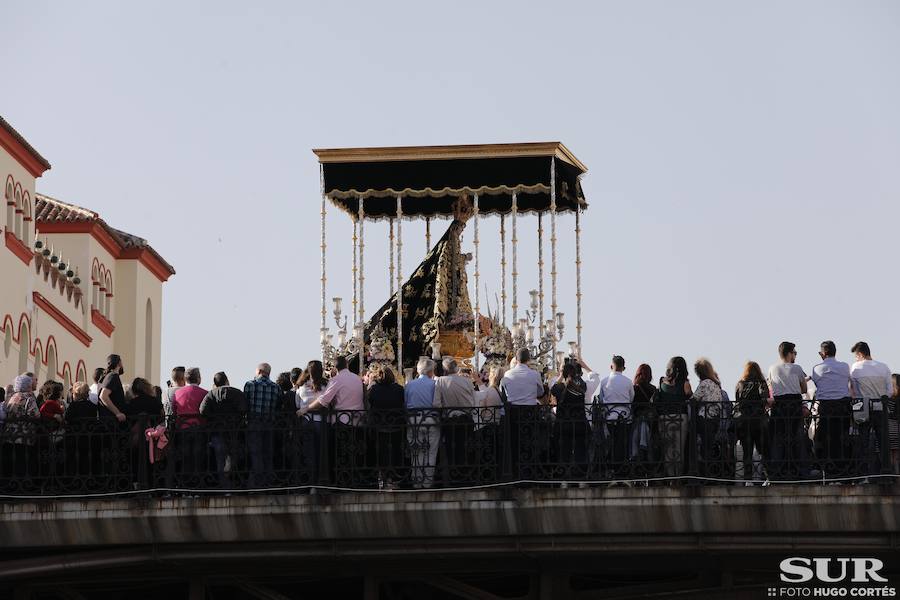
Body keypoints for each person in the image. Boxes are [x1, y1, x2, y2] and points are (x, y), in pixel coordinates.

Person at [849, 342, 893, 477]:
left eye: (856, 356)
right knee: (883, 441)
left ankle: (864, 473)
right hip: (881, 409)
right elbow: (890, 392)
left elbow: (854, 392)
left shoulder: (856, 368)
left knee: (863, 441)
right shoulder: (884, 367)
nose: (855, 359)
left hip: (864, 409)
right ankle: (886, 471)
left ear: (860, 354)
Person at [501, 348, 546, 478]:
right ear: (529, 359)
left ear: (516, 358)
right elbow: (540, 393)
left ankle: (514, 473)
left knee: (515, 443)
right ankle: (529, 473)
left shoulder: (508, 374)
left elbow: (503, 392)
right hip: (530, 413)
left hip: (513, 413)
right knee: (530, 443)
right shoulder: (534, 374)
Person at [767, 342, 809, 479]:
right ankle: (800, 470)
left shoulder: (772, 368)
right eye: (794, 352)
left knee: (778, 438)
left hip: (779, 406)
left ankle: (778, 471)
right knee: (797, 437)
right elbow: (804, 389)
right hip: (794, 405)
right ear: (789, 353)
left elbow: (770, 386)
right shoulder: (797, 368)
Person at [810, 341, 852, 477]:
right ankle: (842, 470)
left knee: (824, 439)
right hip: (843, 408)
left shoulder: (817, 368)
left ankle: (825, 470)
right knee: (841, 439)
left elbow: (817, 383)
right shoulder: (845, 367)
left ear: (822, 354)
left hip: (826, 408)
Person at [434, 357, 476, 485]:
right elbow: (474, 401)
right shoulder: (467, 381)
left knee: (451, 448)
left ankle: (453, 476)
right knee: (465, 447)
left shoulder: (440, 381)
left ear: (445, 370)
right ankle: (465, 476)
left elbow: (436, 404)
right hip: (466, 419)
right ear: (456, 368)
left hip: (450, 419)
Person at [199, 372, 247, 487]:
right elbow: (244, 409)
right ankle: (235, 483)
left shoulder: (210, 394)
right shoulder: (237, 393)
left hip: (217, 432)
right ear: (227, 381)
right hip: (234, 431)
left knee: (220, 459)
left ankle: (223, 485)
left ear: (215, 383)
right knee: (235, 458)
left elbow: (202, 411)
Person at [245, 363, 285, 487]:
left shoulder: (249, 385)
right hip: (269, 424)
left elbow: (245, 403)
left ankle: (258, 482)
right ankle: (268, 481)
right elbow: (279, 405)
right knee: (268, 453)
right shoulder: (276, 387)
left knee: (255, 453)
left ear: (259, 371)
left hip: (254, 423)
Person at [594, 355, 634, 477]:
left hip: (609, 418)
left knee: (610, 444)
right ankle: (621, 469)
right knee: (621, 445)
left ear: (611, 366)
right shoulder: (628, 382)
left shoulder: (605, 381)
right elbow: (631, 398)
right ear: (624, 368)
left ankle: (610, 469)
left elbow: (600, 399)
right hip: (625, 418)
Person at [366, 364, 405, 488]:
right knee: (395, 451)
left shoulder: (374, 389)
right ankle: (393, 478)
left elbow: (370, 403)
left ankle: (382, 476)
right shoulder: (399, 389)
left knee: (382, 452)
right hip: (395, 425)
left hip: (380, 426)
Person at [551, 360, 589, 479]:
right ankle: (580, 475)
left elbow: (552, 389)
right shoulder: (581, 388)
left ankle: (563, 475)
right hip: (579, 424)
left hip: (564, 425)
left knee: (564, 451)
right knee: (580, 450)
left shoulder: (560, 388)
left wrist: (561, 375)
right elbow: (583, 384)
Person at [405, 357, 439, 489]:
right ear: (431, 371)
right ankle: (428, 482)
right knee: (431, 451)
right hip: (430, 419)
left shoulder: (409, 385)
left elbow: (405, 404)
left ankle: (417, 482)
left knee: (416, 452)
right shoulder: (434, 384)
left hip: (414, 420)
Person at [655, 357, 692, 478]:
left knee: (667, 449)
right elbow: (691, 399)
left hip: (664, 418)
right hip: (680, 418)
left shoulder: (662, 382)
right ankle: (678, 477)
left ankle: (670, 476)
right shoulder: (685, 383)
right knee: (679, 448)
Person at [172, 368, 208, 485]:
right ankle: (198, 484)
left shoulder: (177, 393)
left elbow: (174, 411)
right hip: (199, 429)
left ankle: (186, 485)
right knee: (198, 457)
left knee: (185, 457)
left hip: (183, 429)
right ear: (198, 378)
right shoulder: (204, 393)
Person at [734, 361, 769, 482]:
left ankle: (748, 479)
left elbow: (737, 401)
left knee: (747, 452)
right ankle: (766, 477)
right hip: (758, 421)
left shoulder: (740, 384)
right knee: (763, 450)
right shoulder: (761, 383)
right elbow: (765, 399)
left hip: (744, 421)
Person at [1, 375, 40, 483]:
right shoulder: (28, 397)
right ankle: (23, 486)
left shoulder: (11, 397)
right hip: (24, 436)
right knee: (22, 462)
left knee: (11, 462)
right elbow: (35, 415)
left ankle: (11, 485)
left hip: (9, 435)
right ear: (28, 385)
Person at [295, 361, 327, 485]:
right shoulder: (326, 385)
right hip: (321, 422)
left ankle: (309, 481)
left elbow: (297, 404)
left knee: (308, 452)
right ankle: (321, 480)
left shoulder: (301, 387)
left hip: (306, 421)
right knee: (321, 452)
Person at [692, 359, 723, 477]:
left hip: (705, 419)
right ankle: (710, 474)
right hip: (715, 420)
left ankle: (703, 474)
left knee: (703, 449)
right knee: (708, 447)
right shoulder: (716, 384)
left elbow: (694, 399)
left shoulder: (704, 384)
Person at [473, 364, 504, 480]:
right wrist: (478, 380)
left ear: (493, 376)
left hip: (487, 427)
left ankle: (486, 478)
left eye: (490, 373)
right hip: (495, 425)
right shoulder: (497, 391)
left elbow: (481, 409)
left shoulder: (491, 391)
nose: (487, 375)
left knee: (486, 456)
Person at [64, 382, 98, 479]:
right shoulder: (92, 406)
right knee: (86, 460)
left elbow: (67, 419)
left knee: (74, 460)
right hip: (89, 437)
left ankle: (74, 480)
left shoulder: (72, 406)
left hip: (74, 438)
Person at [631, 364, 657, 465]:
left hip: (636, 420)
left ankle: (636, 462)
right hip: (649, 421)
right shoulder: (653, 389)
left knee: (634, 442)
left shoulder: (634, 388)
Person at [98, 355, 128, 424]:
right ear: (119, 363)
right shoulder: (113, 376)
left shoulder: (105, 376)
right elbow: (103, 396)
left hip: (107, 421)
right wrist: (118, 413)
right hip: (112, 423)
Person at [888, 374, 900, 474]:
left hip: (889, 429)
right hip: (897, 430)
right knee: (896, 458)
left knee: (888, 457)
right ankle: (897, 477)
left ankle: (890, 476)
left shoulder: (889, 400)